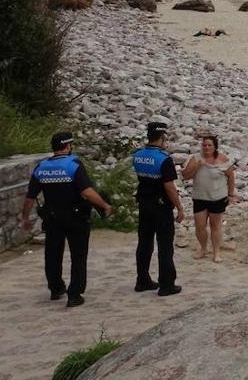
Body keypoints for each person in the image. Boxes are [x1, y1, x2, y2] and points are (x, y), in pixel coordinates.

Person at [20, 132, 112, 307]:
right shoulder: (73, 165)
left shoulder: (42, 167)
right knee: (78, 255)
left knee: (52, 254)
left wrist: (25, 218)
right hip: (76, 217)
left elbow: (30, 197)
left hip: (52, 217)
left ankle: (56, 288)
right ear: (68, 146)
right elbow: (86, 191)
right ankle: (74, 294)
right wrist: (105, 205)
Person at [132, 121, 185, 296]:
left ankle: (142, 279)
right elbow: (169, 187)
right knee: (164, 246)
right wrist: (179, 207)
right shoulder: (164, 159)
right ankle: (167, 284)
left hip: (144, 204)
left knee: (144, 243)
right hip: (161, 207)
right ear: (162, 137)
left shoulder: (138, 155)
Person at [182, 135, 236, 263]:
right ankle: (203, 248)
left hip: (218, 197)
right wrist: (197, 166)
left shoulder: (223, 159)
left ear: (215, 146)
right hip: (200, 197)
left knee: (215, 226)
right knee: (199, 226)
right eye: (204, 145)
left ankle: (216, 252)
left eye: (209, 145)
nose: (206, 147)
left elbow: (231, 177)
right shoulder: (195, 158)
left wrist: (230, 195)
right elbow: (185, 176)